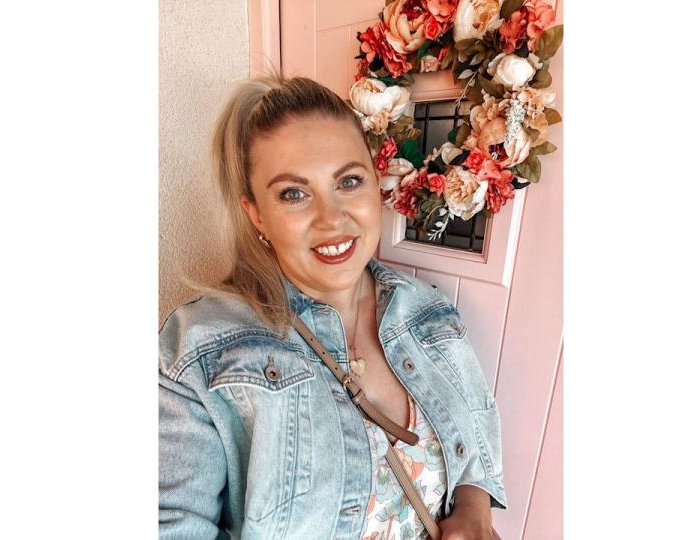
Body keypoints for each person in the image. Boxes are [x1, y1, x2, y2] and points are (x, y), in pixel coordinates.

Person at [159, 74, 506, 539]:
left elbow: (476, 440)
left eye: (348, 181)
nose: (331, 218)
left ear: (375, 185)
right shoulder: (198, 350)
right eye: (294, 194)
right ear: (256, 213)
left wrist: (474, 509)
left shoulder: (428, 312)